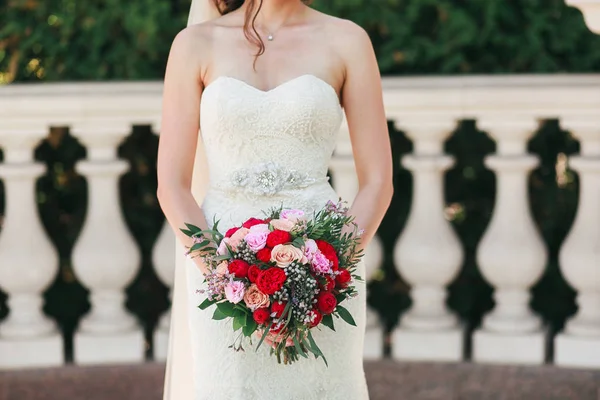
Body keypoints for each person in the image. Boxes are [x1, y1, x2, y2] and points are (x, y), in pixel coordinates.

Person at [156, 0, 393, 398]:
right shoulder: (193, 45)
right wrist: (226, 277)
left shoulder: (348, 41)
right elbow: (172, 187)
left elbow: (378, 182)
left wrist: (325, 277)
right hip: (219, 273)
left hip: (324, 268)